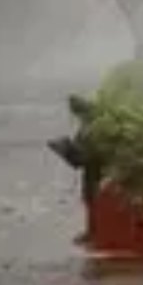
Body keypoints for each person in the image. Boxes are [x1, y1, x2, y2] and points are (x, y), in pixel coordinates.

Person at [47, 94, 101, 245]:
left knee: (92, 200)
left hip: (96, 170)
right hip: (92, 170)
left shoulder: (91, 127)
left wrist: (65, 150)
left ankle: (94, 232)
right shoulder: (88, 125)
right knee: (89, 200)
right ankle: (92, 231)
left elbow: (82, 158)